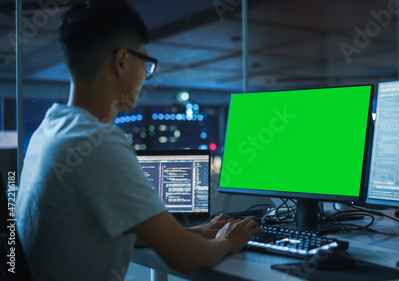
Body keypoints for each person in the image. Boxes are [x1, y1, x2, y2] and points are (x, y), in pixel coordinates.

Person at [16, 1, 262, 280]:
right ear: (122, 60)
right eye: (145, 62)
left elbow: (117, 228)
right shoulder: (98, 142)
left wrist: (195, 231)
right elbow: (187, 257)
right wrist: (229, 241)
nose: (145, 73)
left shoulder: (50, 129)